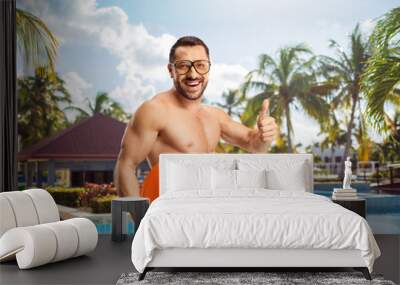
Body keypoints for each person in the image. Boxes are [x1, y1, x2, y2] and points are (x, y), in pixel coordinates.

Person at [114, 36, 278, 200]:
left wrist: (264, 136)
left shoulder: (215, 116)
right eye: (183, 66)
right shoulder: (155, 110)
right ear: (171, 70)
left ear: (208, 68)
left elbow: (254, 144)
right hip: (171, 214)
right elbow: (126, 166)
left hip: (206, 212)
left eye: (200, 65)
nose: (193, 74)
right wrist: (142, 220)